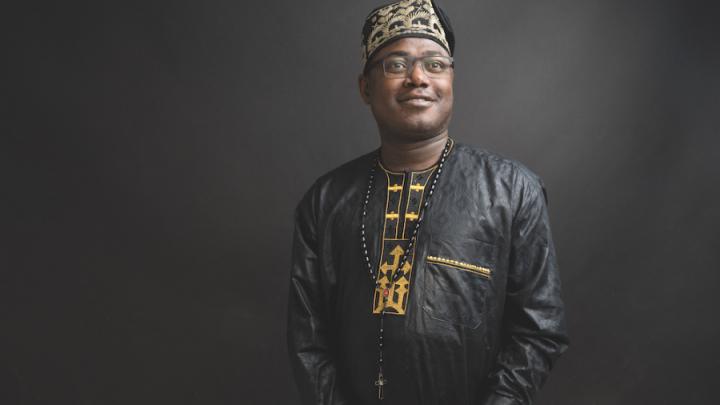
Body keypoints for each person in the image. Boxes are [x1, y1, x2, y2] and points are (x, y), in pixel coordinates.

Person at [287, 1, 569, 404]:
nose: (417, 78)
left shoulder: (511, 190)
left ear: (451, 80)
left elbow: (539, 330)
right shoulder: (326, 200)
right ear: (366, 87)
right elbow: (307, 340)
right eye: (396, 64)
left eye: (435, 64)